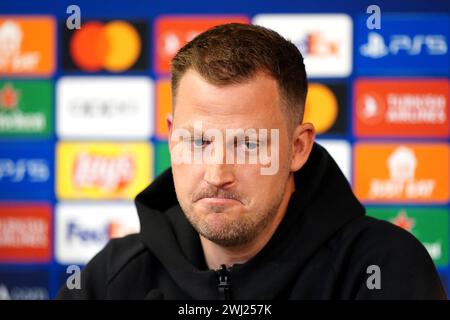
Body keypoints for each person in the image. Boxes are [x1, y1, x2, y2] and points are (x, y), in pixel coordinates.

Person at [56, 23, 446, 300]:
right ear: (173, 137)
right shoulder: (113, 277)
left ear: (298, 148)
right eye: (198, 140)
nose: (217, 173)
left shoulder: (380, 269)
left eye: (247, 144)